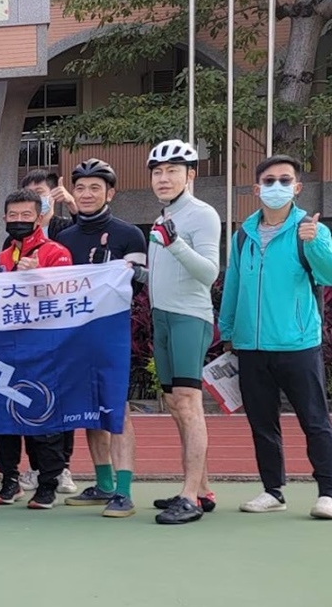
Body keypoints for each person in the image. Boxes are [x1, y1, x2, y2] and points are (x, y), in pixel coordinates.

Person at [219, 154, 332, 520]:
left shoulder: (310, 229)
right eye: (269, 181)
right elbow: (233, 284)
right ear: (256, 189)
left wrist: (314, 243)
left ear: (297, 188)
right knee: (262, 423)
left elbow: (328, 275)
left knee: (314, 420)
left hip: (298, 344)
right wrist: (228, 331)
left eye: (285, 180)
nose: (276, 187)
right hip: (252, 347)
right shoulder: (243, 234)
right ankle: (273, 490)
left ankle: (328, 492)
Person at [56, 159, 147, 518]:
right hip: (75, 337)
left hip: (112, 336)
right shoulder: (63, 238)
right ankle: (104, 483)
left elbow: (140, 283)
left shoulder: (129, 235)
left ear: (110, 192)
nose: (87, 194)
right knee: (90, 410)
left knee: (117, 411)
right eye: (81, 188)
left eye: (96, 188)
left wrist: (129, 270)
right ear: (73, 193)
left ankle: (123, 492)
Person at [143, 139, 221, 525]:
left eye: (172, 171)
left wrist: (173, 244)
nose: (163, 178)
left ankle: (189, 495)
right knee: (175, 403)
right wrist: (136, 272)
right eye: (157, 172)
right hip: (162, 317)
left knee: (189, 402)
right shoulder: (162, 218)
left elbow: (209, 272)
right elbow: (167, 275)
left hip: (189, 316)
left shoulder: (202, 214)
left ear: (190, 175)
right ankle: (201, 489)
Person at [0, 189, 73, 510]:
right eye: (13, 216)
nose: (19, 221)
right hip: (6, 350)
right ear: (5, 218)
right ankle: (9, 477)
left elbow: (68, 298)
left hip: (44, 351)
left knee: (43, 416)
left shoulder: (56, 252)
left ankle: (47, 482)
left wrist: (36, 278)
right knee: (4, 418)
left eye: (26, 216)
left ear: (40, 217)